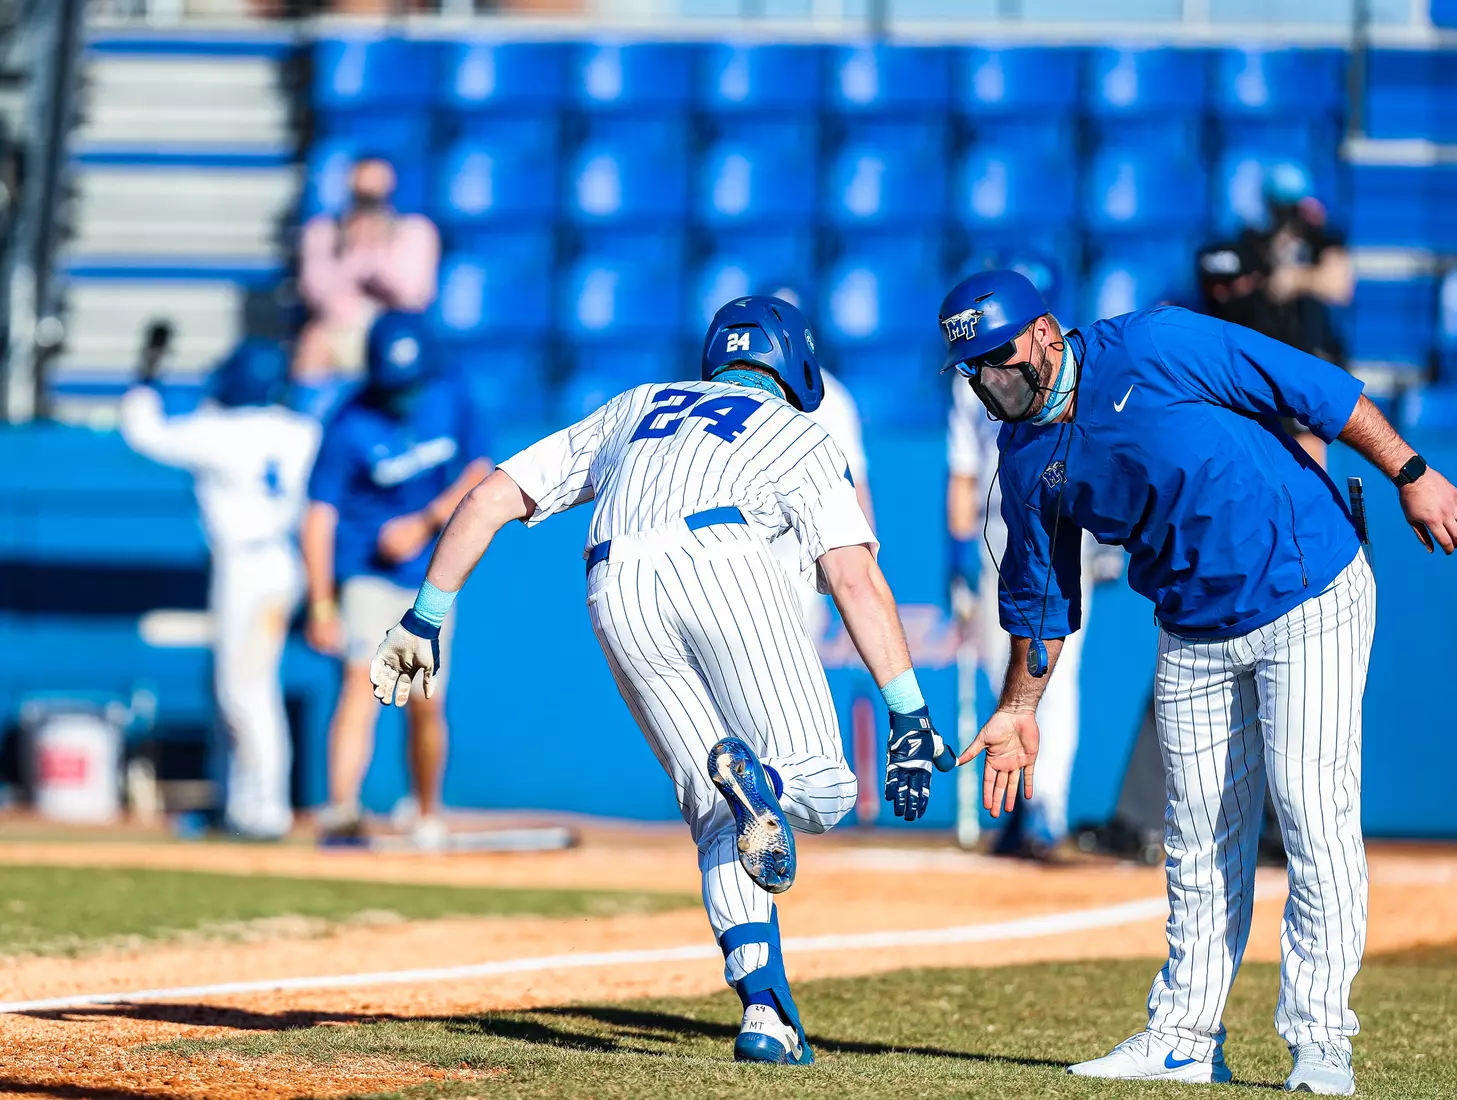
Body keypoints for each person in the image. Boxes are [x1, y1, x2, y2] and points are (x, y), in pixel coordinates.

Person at [368, 295, 956, 1064]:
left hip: (611, 579)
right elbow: (852, 576)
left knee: (721, 816)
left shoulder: (634, 404)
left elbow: (490, 499)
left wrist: (424, 617)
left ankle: (764, 1015)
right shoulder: (799, 432)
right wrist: (907, 708)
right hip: (725, 560)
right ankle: (764, 778)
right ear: (793, 361)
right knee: (821, 787)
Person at [937, 269, 1457, 1095]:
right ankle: (1182, 1037)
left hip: (1307, 585)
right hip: (1190, 625)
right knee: (1197, 839)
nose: (989, 379)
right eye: (973, 369)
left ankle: (1320, 1042)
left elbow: (1312, 387)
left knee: (1310, 808)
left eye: (998, 356)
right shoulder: (1025, 457)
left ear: (1042, 332)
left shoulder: (1156, 342)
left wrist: (1411, 472)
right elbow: (1039, 600)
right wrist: (1018, 708)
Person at [301, 310, 490, 846]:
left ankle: (427, 813)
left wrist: (424, 520)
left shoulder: (451, 393)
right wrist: (320, 602)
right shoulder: (349, 421)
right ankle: (342, 810)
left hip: (432, 575)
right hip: (367, 574)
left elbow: (481, 471)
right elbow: (319, 516)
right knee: (360, 686)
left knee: (426, 699)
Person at [120, 332, 320, 840]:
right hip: (280, 560)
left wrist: (146, 375)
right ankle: (239, 804)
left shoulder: (220, 430)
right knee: (242, 688)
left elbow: (145, 434)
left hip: (249, 569)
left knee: (244, 691)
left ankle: (264, 810)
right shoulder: (300, 430)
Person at [296, 155, 440, 380]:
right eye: (363, 198)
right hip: (343, 331)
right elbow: (317, 296)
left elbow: (414, 296)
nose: (369, 206)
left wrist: (377, 257)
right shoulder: (321, 232)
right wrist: (353, 254)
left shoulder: (416, 232)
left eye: (375, 198)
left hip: (396, 332)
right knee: (314, 341)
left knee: (405, 346)